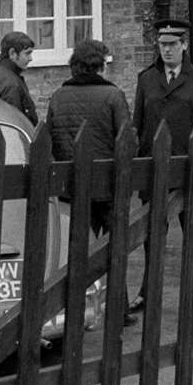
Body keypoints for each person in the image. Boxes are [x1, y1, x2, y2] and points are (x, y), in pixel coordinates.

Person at [129, 17, 193, 316]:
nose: (166, 50)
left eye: (172, 45)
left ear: (184, 45)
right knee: (152, 235)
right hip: (154, 171)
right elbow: (138, 126)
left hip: (188, 173)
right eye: (162, 45)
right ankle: (148, 293)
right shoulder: (146, 79)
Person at [45, 38, 130, 238]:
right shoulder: (113, 95)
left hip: (71, 184)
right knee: (113, 247)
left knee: (77, 245)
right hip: (107, 183)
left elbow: (49, 140)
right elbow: (127, 139)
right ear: (99, 67)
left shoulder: (58, 96)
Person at [0, 30, 38, 126]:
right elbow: (15, 124)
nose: (30, 58)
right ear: (12, 53)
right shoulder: (11, 84)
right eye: (27, 53)